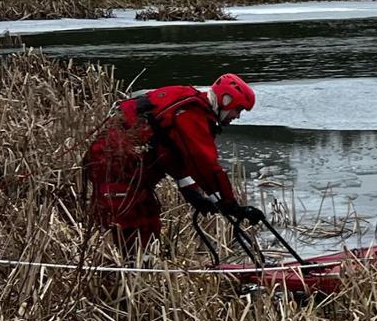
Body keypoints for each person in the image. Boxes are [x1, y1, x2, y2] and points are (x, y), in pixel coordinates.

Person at [85, 74, 264, 247]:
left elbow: (174, 155)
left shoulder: (189, 105)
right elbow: (204, 162)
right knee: (131, 224)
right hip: (114, 165)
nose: (237, 116)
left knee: (148, 221)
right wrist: (229, 204)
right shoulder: (191, 113)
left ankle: (143, 270)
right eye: (238, 109)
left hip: (125, 166)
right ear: (226, 100)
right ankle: (126, 271)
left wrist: (192, 194)